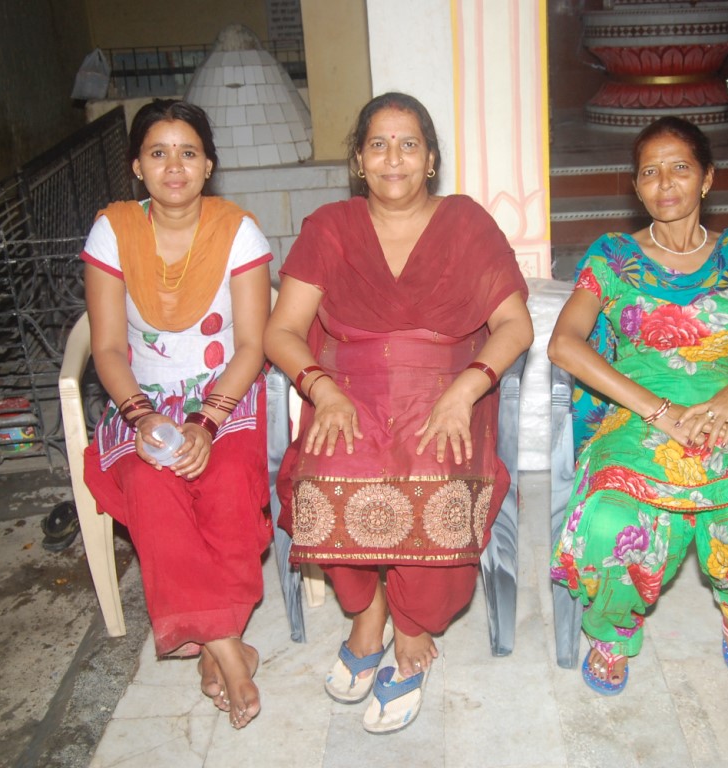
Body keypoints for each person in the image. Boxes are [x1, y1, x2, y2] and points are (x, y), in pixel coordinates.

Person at [264, 92, 533, 733]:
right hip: (347, 392)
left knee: (436, 482)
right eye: (378, 145)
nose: (394, 158)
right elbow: (282, 331)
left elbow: (514, 325)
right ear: (359, 160)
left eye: (409, 144)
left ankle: (414, 627)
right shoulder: (330, 226)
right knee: (327, 477)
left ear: (431, 158)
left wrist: (466, 391)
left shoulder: (465, 223)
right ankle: (369, 613)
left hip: (447, 390)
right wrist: (322, 390)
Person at [548, 116, 728, 694]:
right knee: (612, 520)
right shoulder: (613, 258)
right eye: (649, 172)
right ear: (636, 187)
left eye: (679, 167)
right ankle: (614, 629)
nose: (664, 182)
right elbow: (564, 345)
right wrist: (659, 412)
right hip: (638, 414)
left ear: (706, 178)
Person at [81, 99, 272, 728]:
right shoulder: (113, 231)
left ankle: (213, 643)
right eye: (158, 153)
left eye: (188, 152)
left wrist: (206, 422)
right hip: (140, 401)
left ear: (208, 164)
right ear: (137, 166)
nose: (173, 166)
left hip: (226, 396)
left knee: (227, 480)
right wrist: (143, 419)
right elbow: (108, 349)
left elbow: (252, 345)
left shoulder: (237, 231)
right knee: (150, 484)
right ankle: (228, 649)